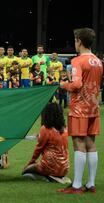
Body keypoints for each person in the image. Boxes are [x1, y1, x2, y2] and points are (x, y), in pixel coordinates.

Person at [58, 28, 103, 194]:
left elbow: (76, 85)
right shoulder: (98, 61)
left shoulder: (78, 61)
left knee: (79, 144)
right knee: (91, 144)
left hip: (79, 109)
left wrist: (63, 85)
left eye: (75, 40)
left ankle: (76, 186)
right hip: (93, 107)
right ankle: (90, 184)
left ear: (79, 41)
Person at [22, 103, 70, 184]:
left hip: (49, 166)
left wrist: (30, 162)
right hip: (65, 168)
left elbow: (38, 149)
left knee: (25, 172)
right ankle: (56, 176)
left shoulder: (45, 129)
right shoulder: (65, 129)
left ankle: (46, 177)